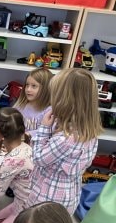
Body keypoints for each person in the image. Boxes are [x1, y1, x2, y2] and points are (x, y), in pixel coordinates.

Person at [26, 68, 102, 214]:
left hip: (46, 199)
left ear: (64, 100)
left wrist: (44, 128)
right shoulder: (88, 131)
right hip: (67, 195)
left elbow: (38, 158)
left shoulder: (66, 138)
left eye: (54, 94)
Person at [13, 67, 53, 140]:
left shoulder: (49, 111)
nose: (28, 89)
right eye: (27, 85)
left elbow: (48, 131)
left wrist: (26, 135)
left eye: (34, 86)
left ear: (46, 89)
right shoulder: (20, 105)